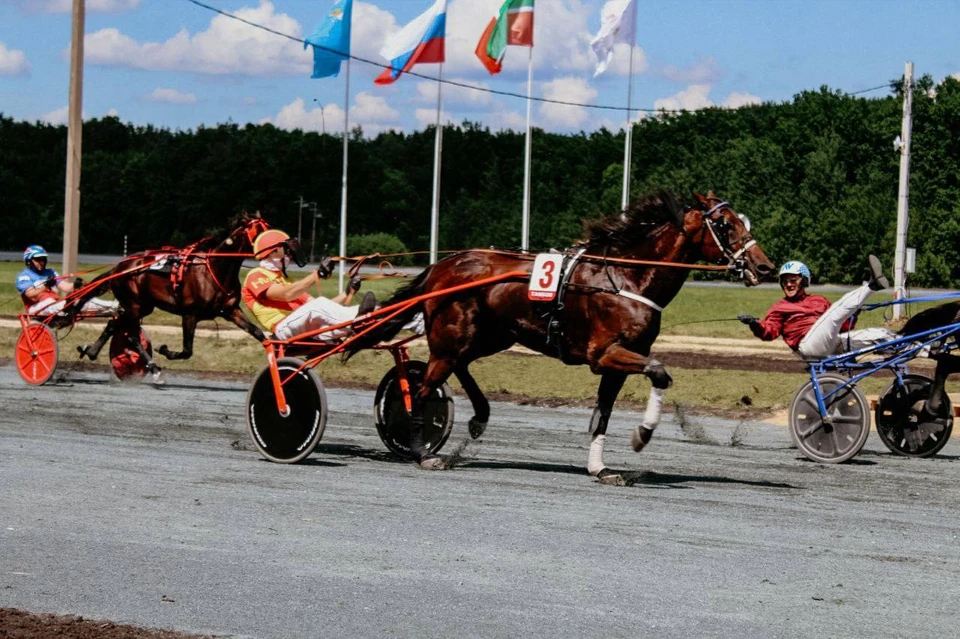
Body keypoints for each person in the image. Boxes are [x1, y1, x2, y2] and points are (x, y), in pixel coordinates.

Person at [738, 255, 892, 359]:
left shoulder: (820, 301)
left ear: (804, 281)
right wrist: (755, 324)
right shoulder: (780, 307)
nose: (788, 284)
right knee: (835, 312)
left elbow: (842, 326)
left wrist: (854, 313)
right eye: (785, 281)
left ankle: (911, 345)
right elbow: (769, 331)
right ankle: (872, 286)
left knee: (877, 334)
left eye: (793, 280)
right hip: (808, 346)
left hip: (829, 344)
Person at [242, 229, 376, 341]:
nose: (290, 254)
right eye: (286, 249)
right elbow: (286, 294)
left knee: (375, 309)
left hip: (303, 325)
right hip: (282, 328)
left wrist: (347, 292)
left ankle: (375, 320)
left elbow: (323, 307)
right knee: (318, 306)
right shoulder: (256, 275)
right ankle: (359, 321)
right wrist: (317, 274)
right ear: (273, 251)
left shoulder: (288, 281)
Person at [16, 245, 119, 317]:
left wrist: (75, 285)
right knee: (58, 303)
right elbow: (30, 294)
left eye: (43, 259)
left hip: (54, 305)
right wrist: (45, 286)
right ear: (29, 260)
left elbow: (65, 287)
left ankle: (114, 307)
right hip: (37, 308)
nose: (42, 262)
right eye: (38, 260)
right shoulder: (24, 276)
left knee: (79, 300)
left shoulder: (50, 272)